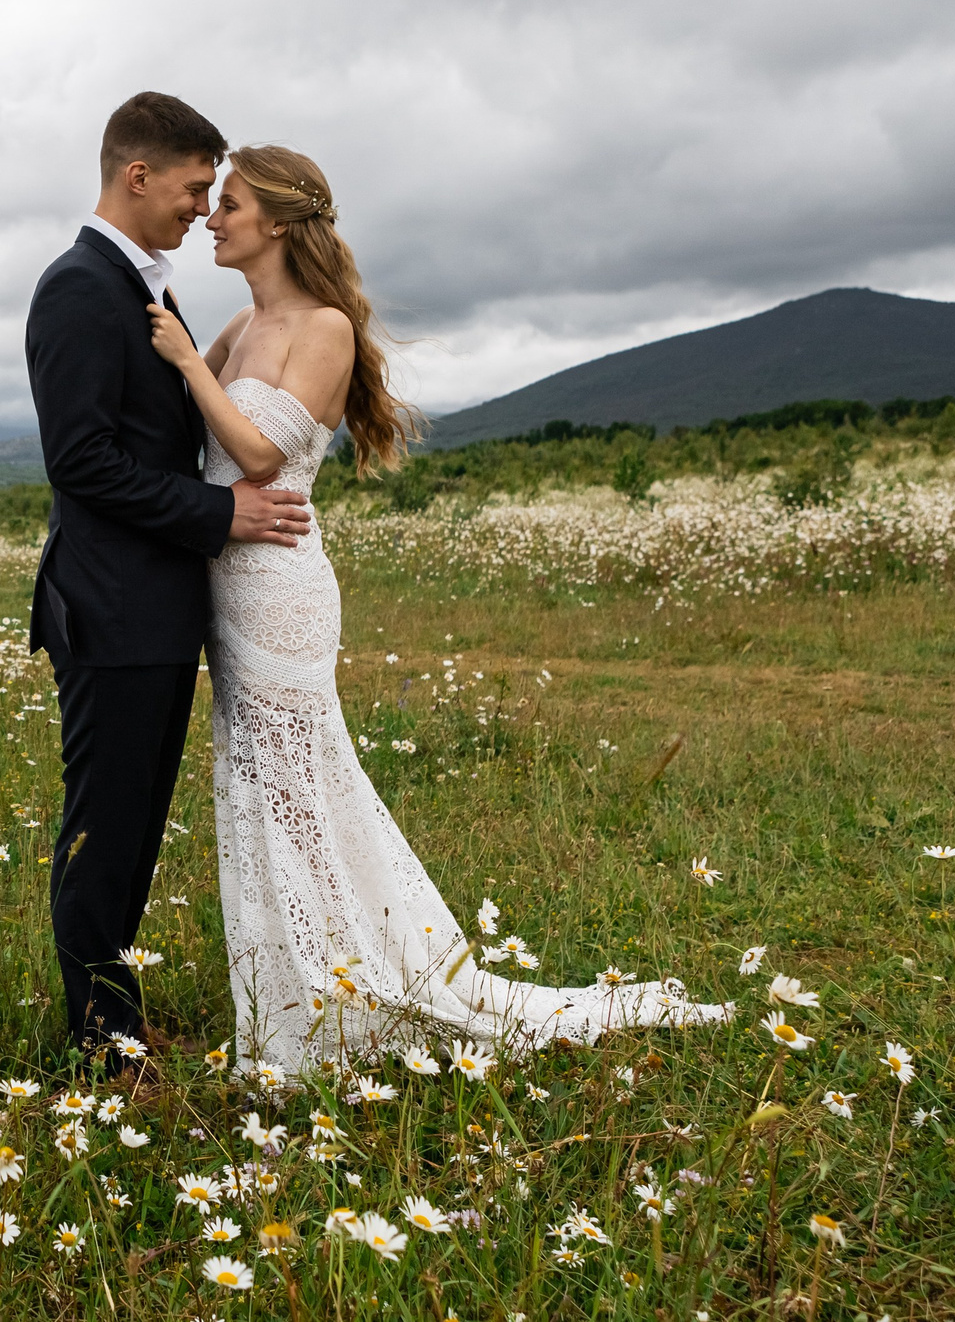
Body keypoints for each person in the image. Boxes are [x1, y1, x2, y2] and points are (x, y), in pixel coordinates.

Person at [146, 143, 728, 1074]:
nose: (213, 218)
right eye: (212, 204)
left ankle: (342, 990)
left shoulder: (323, 328)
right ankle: (303, 989)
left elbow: (260, 456)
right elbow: (192, 430)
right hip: (226, 587)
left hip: (280, 590)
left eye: (232, 204)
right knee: (261, 791)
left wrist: (186, 357)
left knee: (298, 791)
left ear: (281, 222)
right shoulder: (241, 324)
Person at [24, 93, 313, 1076]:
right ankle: (102, 1045)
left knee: (136, 827)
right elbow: (80, 462)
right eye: (194, 188)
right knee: (104, 829)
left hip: (152, 607)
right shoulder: (78, 287)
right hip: (109, 608)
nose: (201, 207)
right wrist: (218, 513)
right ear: (136, 175)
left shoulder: (145, 288)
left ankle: (118, 1016)